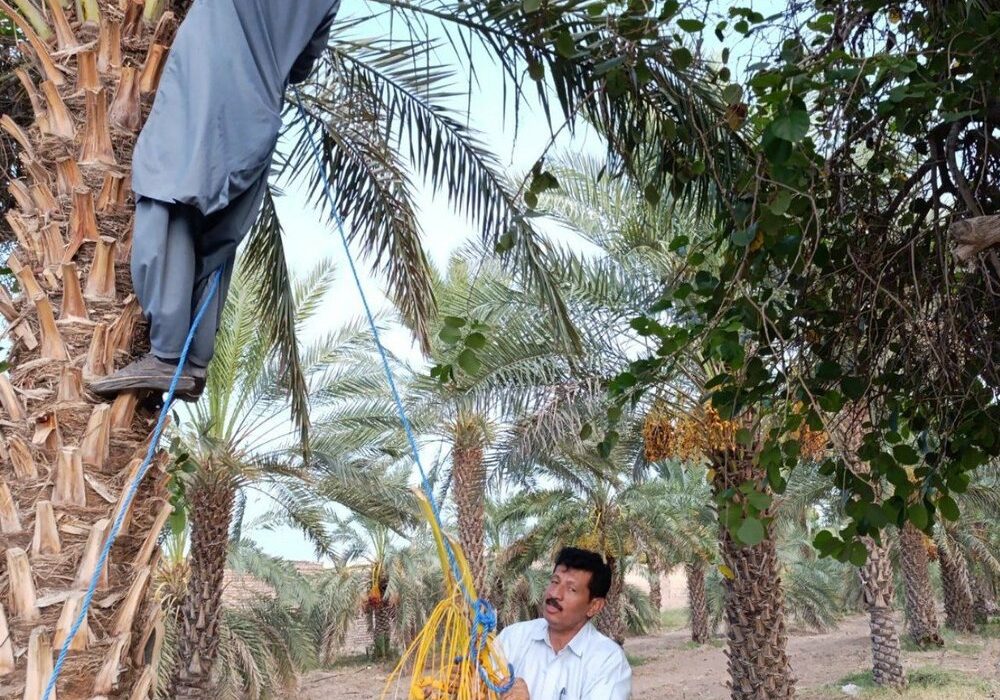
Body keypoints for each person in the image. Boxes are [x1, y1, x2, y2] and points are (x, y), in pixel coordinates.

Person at [91, 0, 341, 401]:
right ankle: (195, 361)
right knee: (217, 237)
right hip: (257, 120)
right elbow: (301, 67)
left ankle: (168, 355)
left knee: (165, 196)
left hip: (204, 91)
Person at [497, 547, 632, 700]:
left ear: (594, 606)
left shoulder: (607, 661)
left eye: (571, 589)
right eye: (555, 582)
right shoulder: (513, 637)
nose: (554, 594)